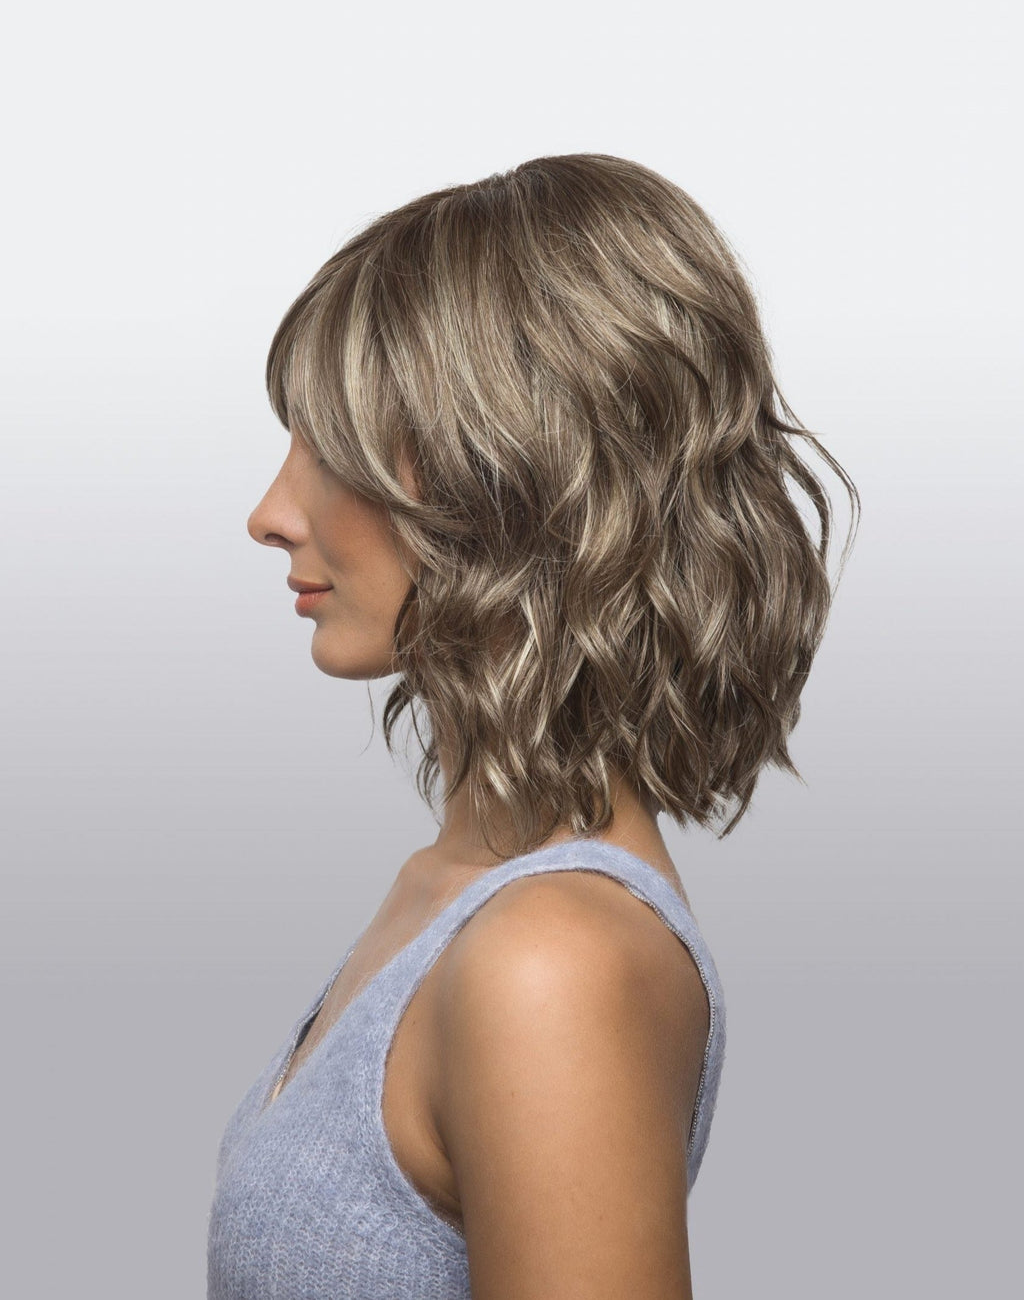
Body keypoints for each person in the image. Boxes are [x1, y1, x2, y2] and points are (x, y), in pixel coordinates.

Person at [207, 152, 859, 1299]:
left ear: (510, 479)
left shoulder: (550, 959)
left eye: (334, 449)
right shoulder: (451, 892)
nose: (270, 512)